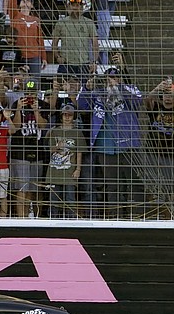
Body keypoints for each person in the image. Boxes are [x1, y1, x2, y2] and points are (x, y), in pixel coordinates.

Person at [76, 66, 144, 218]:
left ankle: (137, 216)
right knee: (113, 185)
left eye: (115, 78)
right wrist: (87, 87)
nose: (112, 81)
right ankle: (116, 217)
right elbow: (81, 106)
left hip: (128, 145)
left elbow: (139, 100)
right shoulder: (98, 94)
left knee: (134, 183)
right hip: (105, 146)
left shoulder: (128, 90)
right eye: (109, 78)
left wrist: (119, 87)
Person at [8, 77, 49, 217]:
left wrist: (36, 110)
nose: (30, 96)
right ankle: (22, 218)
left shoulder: (43, 105)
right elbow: (16, 127)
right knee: (21, 188)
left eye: (33, 92)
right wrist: (19, 109)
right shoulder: (16, 104)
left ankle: (35, 217)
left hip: (37, 151)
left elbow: (43, 126)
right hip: (20, 152)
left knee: (35, 188)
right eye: (28, 92)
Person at [45, 103, 84, 218]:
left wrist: (78, 169)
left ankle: (70, 223)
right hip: (54, 172)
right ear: (61, 116)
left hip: (70, 172)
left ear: (74, 117)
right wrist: (57, 146)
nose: (67, 117)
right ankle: (52, 223)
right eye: (65, 115)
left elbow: (79, 152)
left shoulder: (78, 133)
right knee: (54, 201)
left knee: (70, 200)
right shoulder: (54, 131)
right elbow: (49, 150)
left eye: (70, 115)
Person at [51, 0, 98, 81]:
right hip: (66, 64)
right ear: (68, 6)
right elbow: (54, 43)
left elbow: (95, 44)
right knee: (62, 89)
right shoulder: (60, 23)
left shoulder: (89, 23)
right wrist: (57, 57)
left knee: (84, 90)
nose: (75, 7)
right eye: (73, 5)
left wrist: (94, 62)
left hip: (83, 64)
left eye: (78, 5)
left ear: (82, 7)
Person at [143, 77, 174, 207]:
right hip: (153, 152)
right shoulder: (156, 107)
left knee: (169, 183)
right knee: (154, 183)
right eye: (166, 94)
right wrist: (157, 89)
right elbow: (147, 100)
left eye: (171, 95)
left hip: (170, 154)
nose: (167, 97)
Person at [8, 0, 47, 77]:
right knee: (19, 81)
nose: (25, 2)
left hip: (34, 56)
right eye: (23, 0)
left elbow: (40, 39)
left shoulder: (36, 20)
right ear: (19, 4)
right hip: (19, 55)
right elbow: (11, 4)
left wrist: (44, 57)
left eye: (28, 0)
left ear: (32, 5)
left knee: (33, 82)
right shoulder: (15, 16)